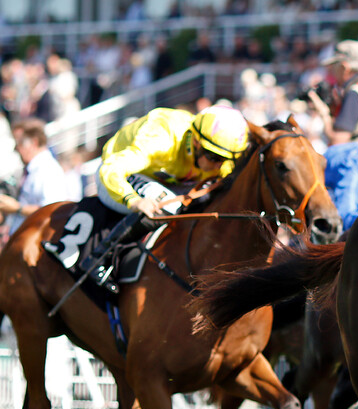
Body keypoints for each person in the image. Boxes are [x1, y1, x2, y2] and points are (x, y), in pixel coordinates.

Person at [80, 105, 250, 293]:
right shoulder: (162, 137)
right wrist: (134, 200)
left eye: (224, 160)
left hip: (170, 179)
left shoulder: (218, 157)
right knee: (171, 205)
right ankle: (98, 257)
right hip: (119, 172)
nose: (218, 165)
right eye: (214, 157)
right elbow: (112, 170)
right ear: (196, 142)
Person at [0, 118, 69, 239]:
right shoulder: (33, 169)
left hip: (34, 246)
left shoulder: (48, 169)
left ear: (34, 143)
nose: (16, 149)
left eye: (19, 143)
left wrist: (17, 208)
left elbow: (52, 211)